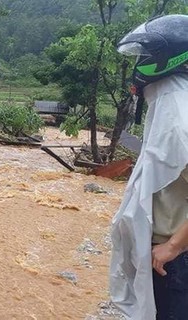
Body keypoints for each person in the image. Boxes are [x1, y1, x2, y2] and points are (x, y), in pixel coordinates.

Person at [110, 14, 188, 320]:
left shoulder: (177, 117)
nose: (139, 62)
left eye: (145, 55)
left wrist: (173, 247)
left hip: (174, 259)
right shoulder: (173, 99)